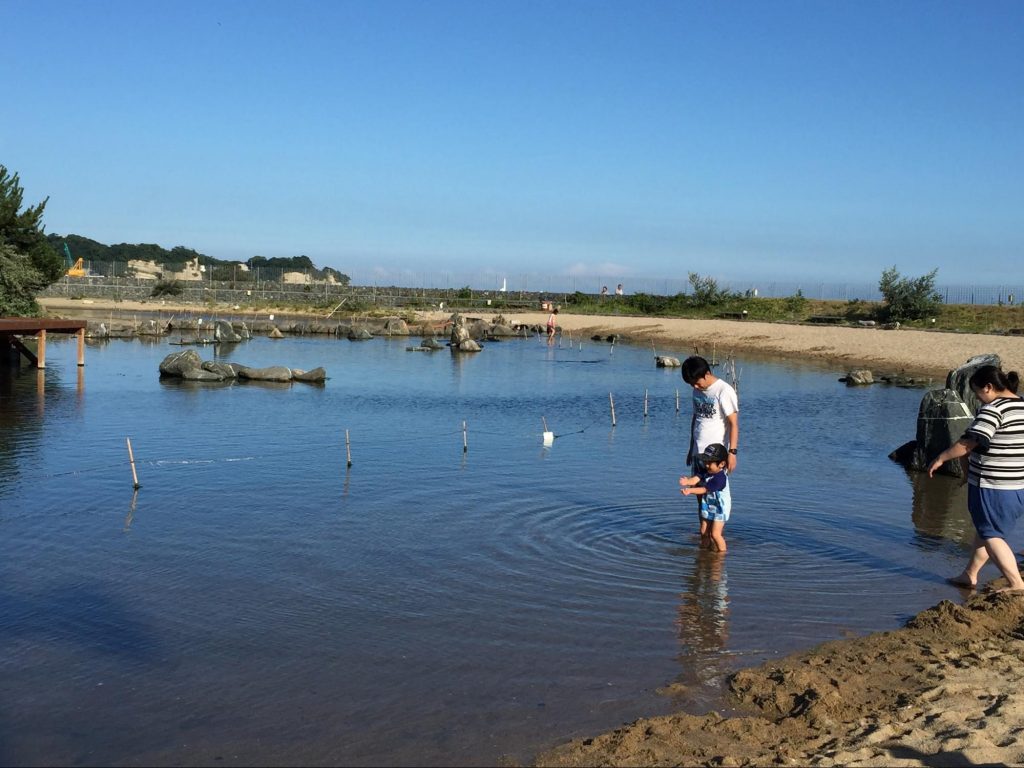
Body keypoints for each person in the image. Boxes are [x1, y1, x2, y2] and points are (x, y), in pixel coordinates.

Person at [929, 365, 1024, 592]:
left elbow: (969, 442)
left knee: (991, 535)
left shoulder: (994, 409)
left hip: (992, 484)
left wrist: (941, 458)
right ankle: (969, 574)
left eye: (977, 393)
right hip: (1018, 485)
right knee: (986, 530)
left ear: (989, 387)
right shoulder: (1021, 405)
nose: (978, 400)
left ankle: (1016, 584)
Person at [681, 356, 739, 474]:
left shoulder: (724, 391)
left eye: (697, 383)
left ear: (707, 374)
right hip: (698, 453)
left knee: (717, 490)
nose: (695, 387)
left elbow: (733, 424)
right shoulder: (696, 391)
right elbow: (696, 419)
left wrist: (732, 453)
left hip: (715, 456)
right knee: (698, 489)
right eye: (691, 384)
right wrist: (691, 449)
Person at [680, 443, 732, 551]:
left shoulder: (720, 478)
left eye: (709, 463)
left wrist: (690, 490)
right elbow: (696, 478)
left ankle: (721, 554)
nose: (706, 465)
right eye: (705, 462)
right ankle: (704, 550)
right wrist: (687, 481)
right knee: (703, 531)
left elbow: (704, 489)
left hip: (720, 509)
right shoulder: (706, 470)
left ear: (721, 464)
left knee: (715, 534)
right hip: (708, 505)